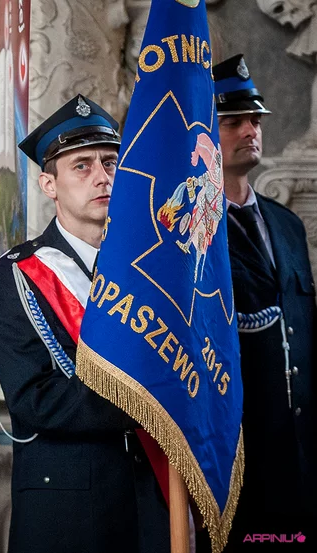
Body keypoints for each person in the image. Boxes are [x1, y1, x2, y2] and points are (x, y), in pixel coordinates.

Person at [0, 95, 169, 553]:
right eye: (81, 166)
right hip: (69, 504)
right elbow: (35, 400)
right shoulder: (16, 274)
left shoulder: (157, 267)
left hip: (155, 494)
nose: (102, 177)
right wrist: (152, 404)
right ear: (49, 184)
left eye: (110, 162)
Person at [208, 54, 315, 549]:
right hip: (237, 452)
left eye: (255, 120)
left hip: (300, 454)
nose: (250, 130)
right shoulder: (191, 233)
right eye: (233, 122)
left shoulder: (287, 224)